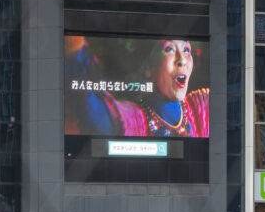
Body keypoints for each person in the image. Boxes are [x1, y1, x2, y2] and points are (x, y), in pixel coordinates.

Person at [66, 36, 209, 139]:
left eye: (186, 50)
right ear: (148, 67)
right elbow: (94, 113)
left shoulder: (201, 109)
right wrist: (73, 49)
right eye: (170, 49)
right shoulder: (133, 119)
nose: (182, 60)